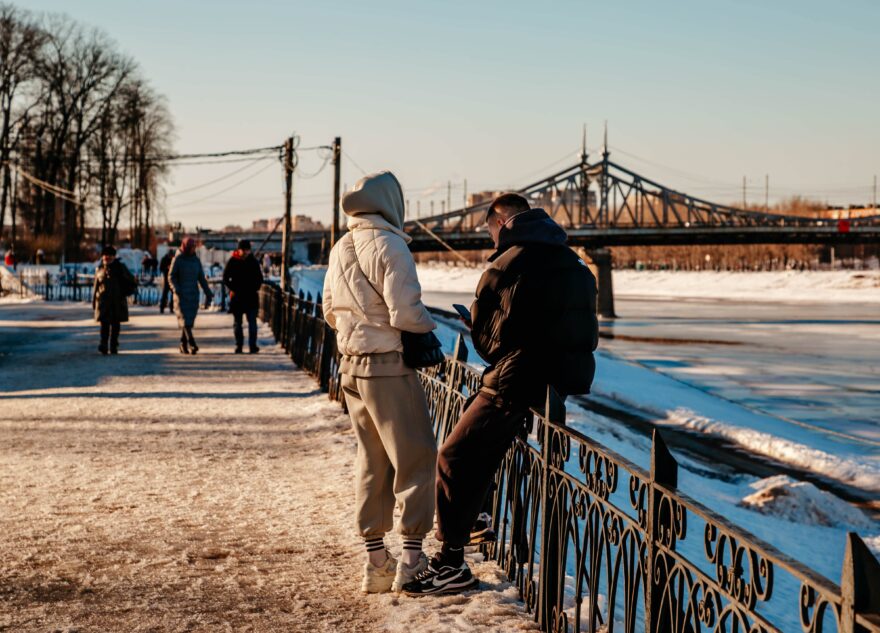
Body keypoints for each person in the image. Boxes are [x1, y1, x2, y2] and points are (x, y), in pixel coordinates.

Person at [403, 193, 599, 596]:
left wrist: (473, 322)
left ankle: (450, 562)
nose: (491, 237)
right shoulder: (575, 264)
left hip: (516, 381)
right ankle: (479, 520)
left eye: (490, 228)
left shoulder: (508, 263)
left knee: (453, 456)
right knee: (482, 452)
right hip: (555, 385)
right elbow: (583, 333)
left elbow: (492, 344)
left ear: (502, 221)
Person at [322, 171, 438, 594]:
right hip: (388, 365)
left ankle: (376, 561)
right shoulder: (390, 245)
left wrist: (356, 331)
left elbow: (329, 309)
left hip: (350, 366)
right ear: (392, 202)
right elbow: (406, 312)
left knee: (371, 460)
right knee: (416, 456)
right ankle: (411, 559)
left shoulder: (340, 246)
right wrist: (430, 330)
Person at [169, 237, 213, 354]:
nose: (193, 249)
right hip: (181, 295)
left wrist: (208, 293)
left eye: (194, 247)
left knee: (188, 321)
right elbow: (171, 276)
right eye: (191, 247)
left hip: (193, 295)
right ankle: (192, 343)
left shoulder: (195, 260)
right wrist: (176, 289)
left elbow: (201, 279)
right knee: (185, 320)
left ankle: (183, 344)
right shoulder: (178, 259)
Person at [92, 245, 137, 355]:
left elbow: (132, 281)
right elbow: (96, 287)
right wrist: (94, 301)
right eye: (105, 255)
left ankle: (113, 345)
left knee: (115, 325)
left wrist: (126, 291)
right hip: (104, 302)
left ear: (114, 256)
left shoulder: (120, 267)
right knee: (104, 325)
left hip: (117, 301)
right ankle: (103, 344)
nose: (107, 257)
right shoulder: (99, 269)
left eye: (109, 255)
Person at [222, 239, 264, 353]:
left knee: (252, 322)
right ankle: (239, 345)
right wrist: (233, 288)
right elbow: (225, 277)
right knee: (238, 323)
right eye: (244, 250)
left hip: (250, 296)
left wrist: (254, 288)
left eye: (247, 250)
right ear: (239, 250)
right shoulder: (233, 261)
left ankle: (252, 346)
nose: (246, 252)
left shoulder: (253, 262)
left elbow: (260, 279)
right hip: (238, 297)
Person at [159, 249, 175, 313]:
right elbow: (161, 268)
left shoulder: (174, 259)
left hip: (172, 279)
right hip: (166, 279)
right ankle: (162, 308)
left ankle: (171, 308)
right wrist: (166, 268)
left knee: (173, 294)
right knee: (164, 294)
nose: (171, 257)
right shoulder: (164, 259)